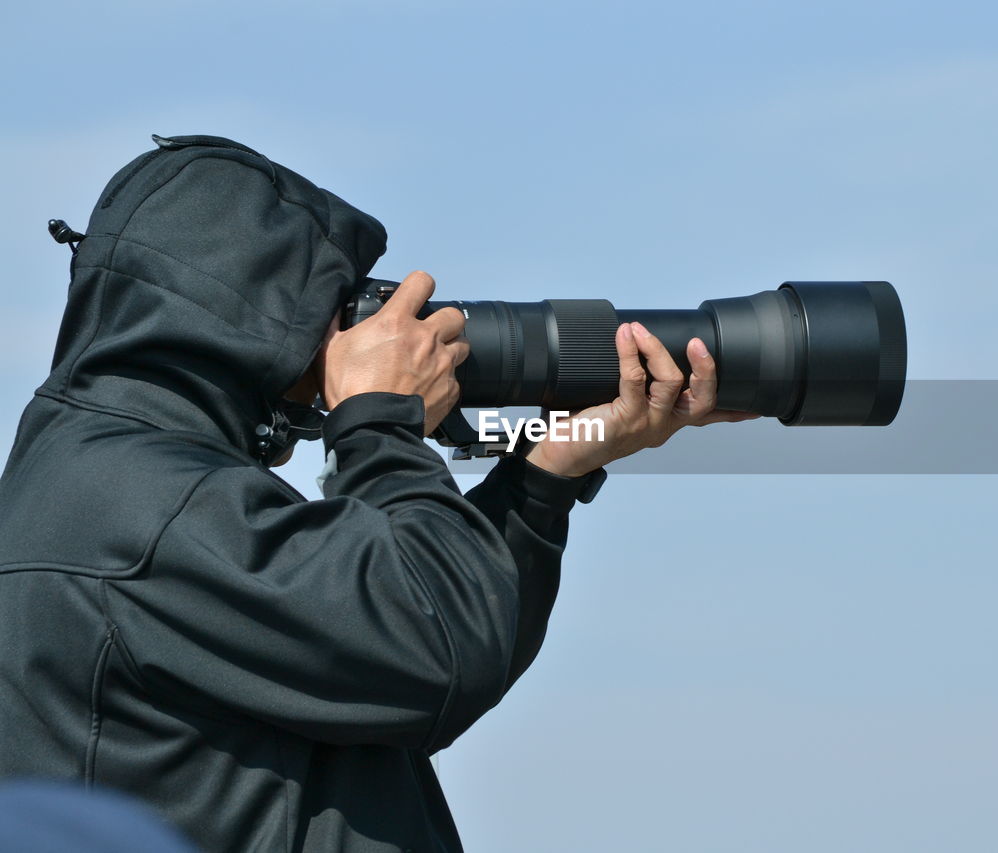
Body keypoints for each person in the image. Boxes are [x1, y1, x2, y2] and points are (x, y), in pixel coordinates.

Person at [0, 135, 749, 852]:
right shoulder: (143, 509)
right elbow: (436, 649)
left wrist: (548, 469)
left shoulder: (119, 484)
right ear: (247, 315)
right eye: (330, 307)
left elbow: (417, 663)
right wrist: (380, 421)